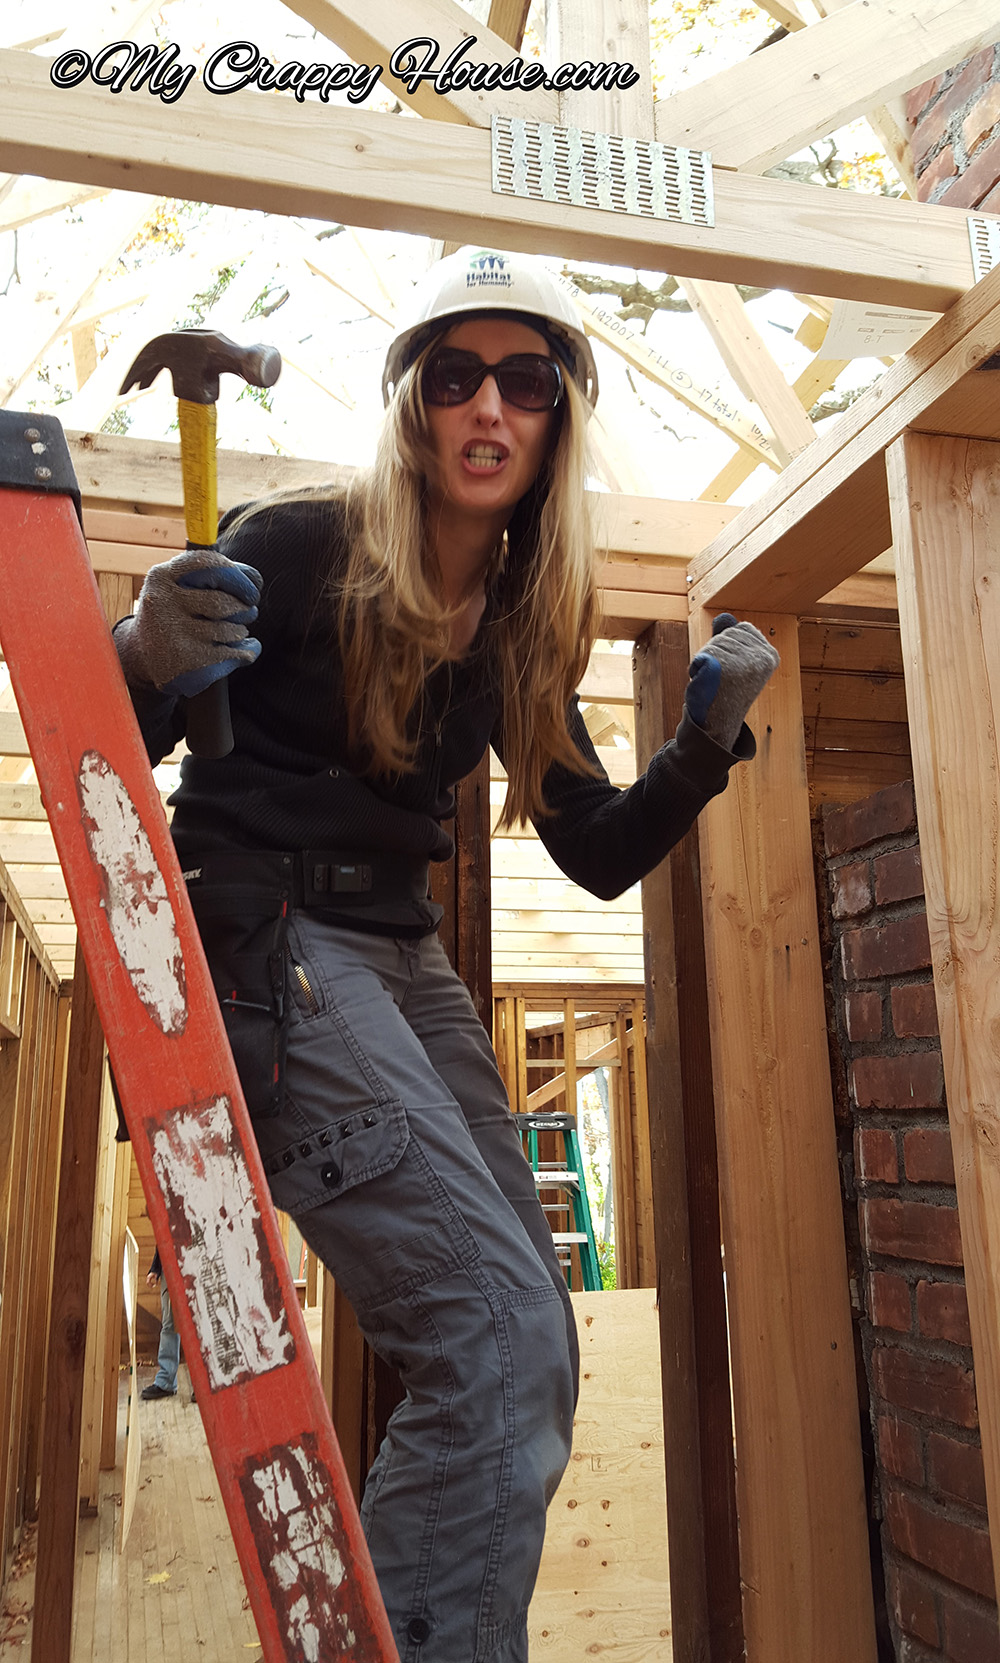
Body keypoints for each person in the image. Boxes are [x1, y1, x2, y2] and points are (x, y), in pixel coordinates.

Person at [113, 245, 778, 1663]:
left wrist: (703, 745)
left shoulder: (529, 620)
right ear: (416, 401)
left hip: (403, 966)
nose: (490, 405)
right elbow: (121, 757)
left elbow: (592, 846)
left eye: (524, 379)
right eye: (457, 373)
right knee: (493, 1336)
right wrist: (141, 648)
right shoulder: (299, 542)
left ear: (557, 417)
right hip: (270, 937)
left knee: (532, 1333)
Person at [141, 1246, 180, 1401]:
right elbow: (163, 1234)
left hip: (201, 1259)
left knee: (203, 1325)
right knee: (170, 1324)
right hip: (171, 1264)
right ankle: (166, 1382)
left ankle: (204, 1385)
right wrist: (156, 1268)